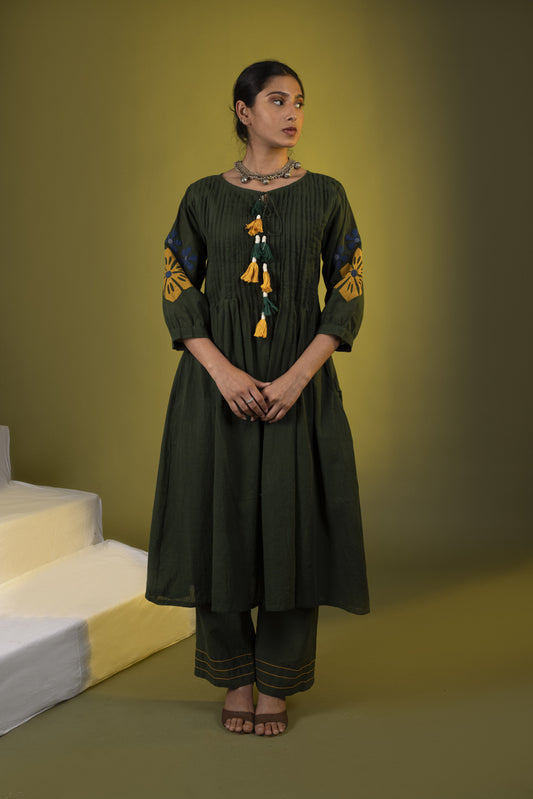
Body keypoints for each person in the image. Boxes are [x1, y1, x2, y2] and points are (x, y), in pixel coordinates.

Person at [146, 60, 369, 737]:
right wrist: (223, 374)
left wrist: (298, 378)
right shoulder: (201, 197)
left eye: (299, 101)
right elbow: (176, 286)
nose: (292, 112)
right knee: (218, 528)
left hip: (299, 387)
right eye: (277, 100)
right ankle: (234, 677)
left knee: (291, 529)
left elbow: (349, 290)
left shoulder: (327, 194)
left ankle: (275, 682)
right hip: (217, 390)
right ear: (244, 111)